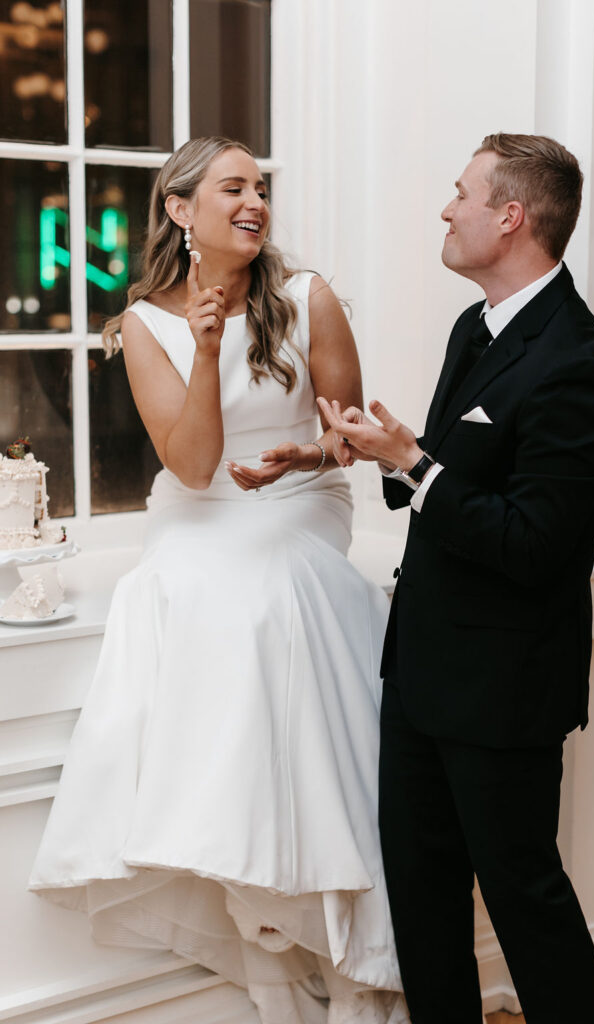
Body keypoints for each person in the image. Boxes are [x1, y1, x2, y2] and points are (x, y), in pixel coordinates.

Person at [29, 137, 408, 1024]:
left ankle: (337, 960)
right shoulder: (141, 325)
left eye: (261, 189)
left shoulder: (306, 298)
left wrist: (301, 456)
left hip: (299, 500)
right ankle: (269, 950)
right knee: (204, 601)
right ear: (179, 208)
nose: (254, 203)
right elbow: (194, 468)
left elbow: (346, 439)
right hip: (200, 511)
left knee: (269, 595)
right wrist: (203, 351)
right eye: (232, 187)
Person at [320, 133, 594, 1024]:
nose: (445, 209)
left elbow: (534, 543)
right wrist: (367, 453)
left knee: (525, 904)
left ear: (510, 216)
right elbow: (455, 473)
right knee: (420, 903)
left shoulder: (580, 365)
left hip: (503, 691)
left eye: (460, 193)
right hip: (420, 670)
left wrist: (416, 467)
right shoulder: (477, 327)